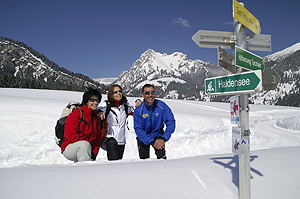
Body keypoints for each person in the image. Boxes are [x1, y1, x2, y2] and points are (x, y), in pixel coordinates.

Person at [133, 84, 176, 159]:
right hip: (143, 137)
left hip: (157, 135)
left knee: (161, 156)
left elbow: (171, 122)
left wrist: (164, 139)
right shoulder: (138, 110)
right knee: (144, 161)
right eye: (147, 93)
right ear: (143, 95)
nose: (150, 95)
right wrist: (152, 142)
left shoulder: (161, 106)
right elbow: (138, 129)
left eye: (152, 93)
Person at [61, 87, 103, 162]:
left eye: (97, 100)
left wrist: (94, 153)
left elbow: (97, 139)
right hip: (69, 147)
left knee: (85, 148)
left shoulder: (96, 118)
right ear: (86, 101)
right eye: (92, 100)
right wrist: (88, 143)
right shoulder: (77, 113)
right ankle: (85, 172)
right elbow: (70, 134)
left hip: (86, 148)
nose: (95, 102)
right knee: (84, 145)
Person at [97, 84, 133, 161]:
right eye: (115, 92)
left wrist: (139, 105)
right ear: (111, 94)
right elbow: (95, 110)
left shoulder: (126, 106)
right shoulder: (106, 106)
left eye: (120, 91)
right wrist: (99, 112)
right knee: (114, 161)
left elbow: (135, 112)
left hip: (121, 141)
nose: (118, 93)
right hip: (108, 139)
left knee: (118, 162)